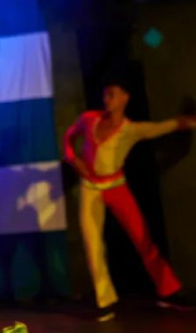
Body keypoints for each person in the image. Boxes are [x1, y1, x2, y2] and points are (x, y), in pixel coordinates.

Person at [64, 80, 196, 321]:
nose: (107, 100)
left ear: (125, 98)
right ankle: (105, 301)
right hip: (90, 188)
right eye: (106, 95)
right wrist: (74, 159)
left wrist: (187, 121)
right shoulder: (89, 119)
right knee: (92, 244)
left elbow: (167, 126)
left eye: (112, 95)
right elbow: (69, 138)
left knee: (142, 238)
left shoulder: (131, 130)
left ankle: (170, 291)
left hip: (116, 186)